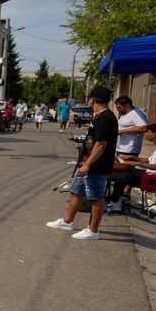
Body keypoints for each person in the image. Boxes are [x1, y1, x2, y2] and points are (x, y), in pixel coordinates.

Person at [46, 86, 118, 240]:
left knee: (96, 196)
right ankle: (67, 221)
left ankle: (93, 230)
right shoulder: (98, 116)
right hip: (85, 163)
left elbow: (101, 144)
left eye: (90, 99)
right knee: (76, 190)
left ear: (94, 99)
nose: (89, 101)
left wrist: (88, 164)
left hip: (96, 166)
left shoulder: (106, 117)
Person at [109, 123, 156, 204]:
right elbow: (149, 160)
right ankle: (115, 199)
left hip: (155, 179)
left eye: (148, 132)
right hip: (150, 175)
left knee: (123, 175)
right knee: (125, 170)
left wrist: (136, 164)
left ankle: (113, 201)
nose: (146, 134)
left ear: (155, 134)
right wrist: (131, 157)